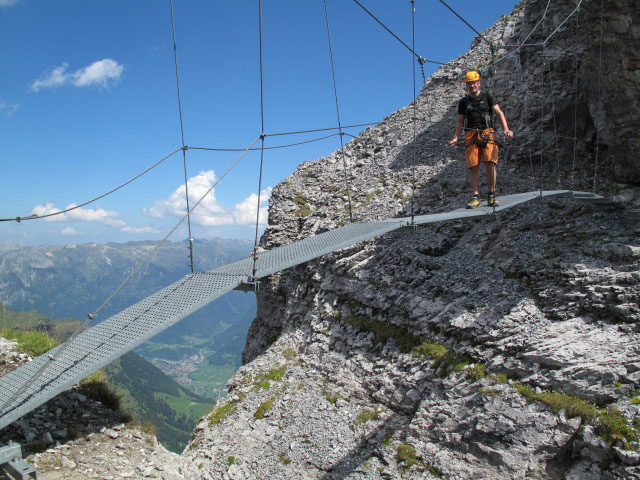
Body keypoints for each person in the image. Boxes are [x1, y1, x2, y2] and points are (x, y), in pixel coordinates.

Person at [449, 70, 514, 208]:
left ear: (479, 83)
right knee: (473, 166)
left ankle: (491, 194)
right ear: (466, 85)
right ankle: (476, 197)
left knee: (490, 162)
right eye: (469, 84)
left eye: (474, 83)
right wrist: (456, 137)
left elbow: (498, 113)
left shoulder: (488, 97)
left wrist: (506, 129)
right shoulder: (463, 102)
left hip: (487, 132)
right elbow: (460, 121)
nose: (472, 86)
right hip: (470, 134)